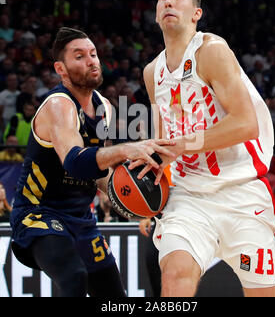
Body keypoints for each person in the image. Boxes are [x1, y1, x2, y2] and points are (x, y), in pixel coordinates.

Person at [130, 0, 275, 297]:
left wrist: (183, 144)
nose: (169, 1)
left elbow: (245, 124)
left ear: (196, 13)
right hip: (188, 196)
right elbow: (163, 142)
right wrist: (152, 199)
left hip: (239, 190)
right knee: (174, 275)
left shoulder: (212, 50)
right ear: (156, 13)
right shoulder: (151, 72)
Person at [9, 27, 175, 297]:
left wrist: (130, 197)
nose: (91, 61)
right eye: (80, 56)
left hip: (81, 219)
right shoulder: (58, 105)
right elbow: (75, 162)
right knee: (74, 277)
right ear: (60, 69)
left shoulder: (104, 108)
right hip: (39, 214)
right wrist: (126, 150)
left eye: (93, 54)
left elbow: (96, 171)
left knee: (114, 295)